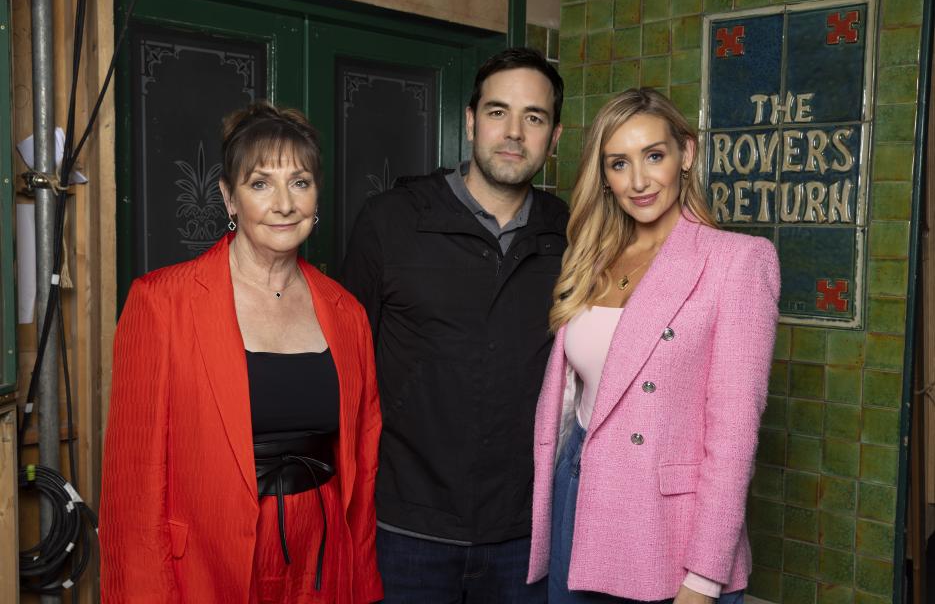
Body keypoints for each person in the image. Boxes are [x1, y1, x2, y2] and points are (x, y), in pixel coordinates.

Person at [99, 102, 383, 603]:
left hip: (321, 560)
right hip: (206, 568)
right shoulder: (162, 303)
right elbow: (132, 488)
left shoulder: (346, 313)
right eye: (260, 184)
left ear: (317, 197)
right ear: (229, 199)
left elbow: (363, 460)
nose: (283, 204)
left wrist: (360, 581)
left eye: (299, 182)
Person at [527, 88, 780, 603]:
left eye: (654, 156)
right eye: (619, 163)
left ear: (686, 154)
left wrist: (705, 576)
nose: (639, 181)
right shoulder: (591, 257)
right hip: (578, 491)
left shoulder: (738, 261)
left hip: (667, 525)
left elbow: (733, 438)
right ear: (605, 175)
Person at [340, 47, 566, 602]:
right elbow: (345, 370)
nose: (513, 132)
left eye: (533, 118)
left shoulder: (576, 233)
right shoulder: (390, 222)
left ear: (555, 136)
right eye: (497, 112)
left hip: (524, 535)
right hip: (406, 531)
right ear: (469, 121)